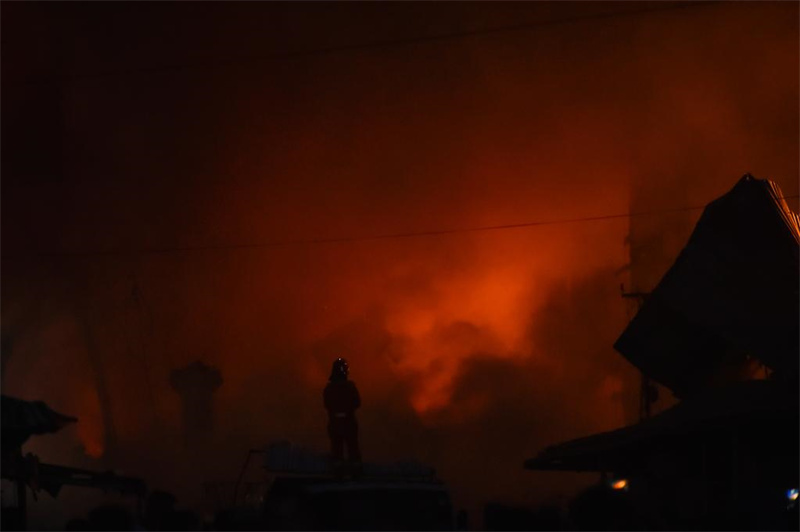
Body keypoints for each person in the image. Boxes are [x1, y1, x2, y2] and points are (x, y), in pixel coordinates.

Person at [323, 358, 361, 476]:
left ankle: (337, 473)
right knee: (352, 448)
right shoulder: (350, 387)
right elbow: (357, 402)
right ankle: (355, 473)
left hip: (335, 423)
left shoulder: (329, 388)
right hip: (349, 422)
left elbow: (327, 404)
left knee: (337, 449)